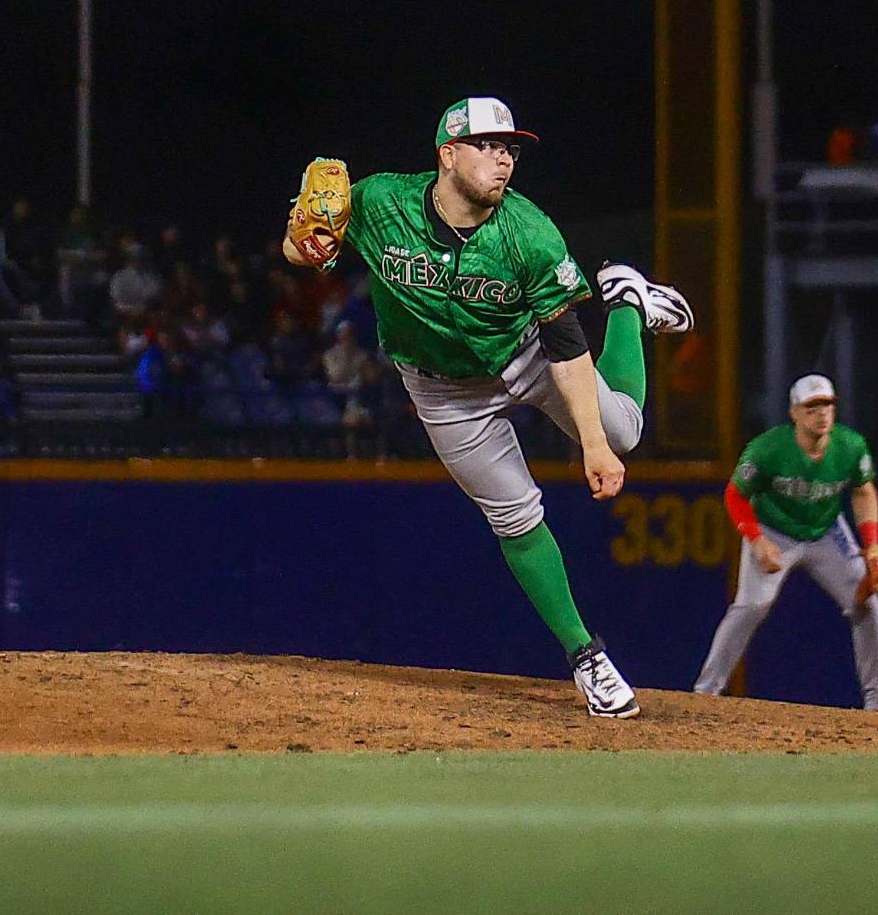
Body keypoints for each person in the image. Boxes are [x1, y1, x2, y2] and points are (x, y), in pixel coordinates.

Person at [280, 96, 694, 719]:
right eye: (489, 146)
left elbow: (564, 343)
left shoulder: (529, 232)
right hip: (442, 389)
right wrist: (303, 248)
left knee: (623, 433)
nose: (504, 159)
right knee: (515, 517)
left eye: (510, 149)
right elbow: (303, 253)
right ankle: (587, 656)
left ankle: (627, 303)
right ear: (447, 155)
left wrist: (594, 444)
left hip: (526, 352)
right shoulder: (379, 203)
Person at [693, 373, 878, 711]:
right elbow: (735, 495)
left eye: (827, 405)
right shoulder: (768, 449)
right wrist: (757, 541)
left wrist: (872, 543)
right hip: (773, 531)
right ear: (795, 413)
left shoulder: (850, 446)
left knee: (868, 603)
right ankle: (706, 692)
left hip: (826, 532)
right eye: (812, 406)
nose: (821, 413)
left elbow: (863, 491)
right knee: (751, 607)